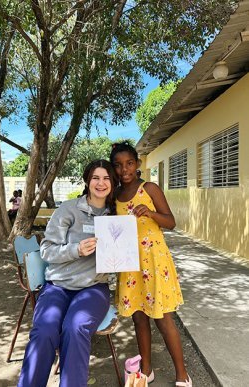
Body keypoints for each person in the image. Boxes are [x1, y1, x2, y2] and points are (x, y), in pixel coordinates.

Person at [17, 159, 118, 387]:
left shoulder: (117, 216)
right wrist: (76, 249)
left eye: (106, 178)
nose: (101, 183)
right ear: (87, 180)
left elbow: (125, 255)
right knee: (44, 330)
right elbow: (46, 250)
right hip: (58, 286)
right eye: (95, 178)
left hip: (93, 288)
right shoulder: (68, 210)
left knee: (75, 327)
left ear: (113, 182)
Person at [110, 142, 192, 387]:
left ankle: (182, 374)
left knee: (163, 318)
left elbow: (171, 222)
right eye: (118, 165)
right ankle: (146, 370)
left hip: (154, 262)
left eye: (129, 163)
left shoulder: (150, 188)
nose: (124, 170)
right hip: (129, 263)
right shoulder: (114, 196)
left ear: (138, 164)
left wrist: (151, 213)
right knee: (138, 317)